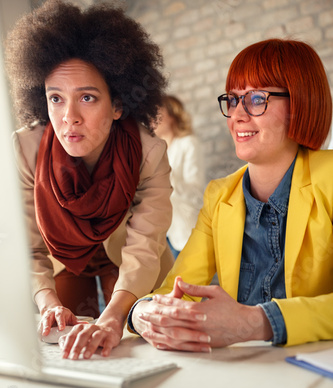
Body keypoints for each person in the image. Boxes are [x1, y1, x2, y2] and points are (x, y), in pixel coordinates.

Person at [128, 38, 333, 352]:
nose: (237, 115)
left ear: (300, 103)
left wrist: (255, 322)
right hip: (243, 374)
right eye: (233, 100)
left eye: (256, 99)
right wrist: (139, 313)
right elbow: (175, 291)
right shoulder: (219, 196)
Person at [5, 0, 174, 360]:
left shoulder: (150, 153)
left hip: (127, 260)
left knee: (138, 345)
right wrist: (48, 302)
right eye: (55, 98)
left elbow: (145, 245)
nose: (69, 117)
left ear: (117, 105)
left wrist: (113, 319)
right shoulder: (23, 150)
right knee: (63, 346)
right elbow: (26, 246)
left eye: (87, 97)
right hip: (63, 262)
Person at [154, 95, 204, 258]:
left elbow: (195, 192)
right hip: (161, 235)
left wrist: (167, 172)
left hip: (183, 232)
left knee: (187, 282)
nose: (153, 119)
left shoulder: (188, 144)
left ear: (172, 115)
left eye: (158, 113)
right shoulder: (154, 151)